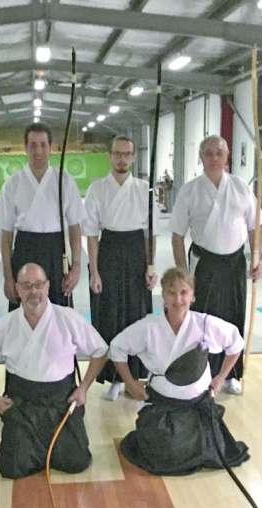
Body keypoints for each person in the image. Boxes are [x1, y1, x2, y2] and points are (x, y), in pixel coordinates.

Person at [110, 267, 250, 476]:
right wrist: (130, 383)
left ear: (192, 295)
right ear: (163, 296)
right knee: (167, 454)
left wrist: (221, 377)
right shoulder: (149, 328)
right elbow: (117, 347)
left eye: (184, 292)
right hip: (163, 406)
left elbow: (236, 343)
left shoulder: (204, 324)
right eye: (171, 292)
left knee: (213, 451)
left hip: (198, 406)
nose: (178, 299)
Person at [0, 263, 108, 479]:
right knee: (12, 467)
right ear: (17, 290)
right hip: (22, 404)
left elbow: (100, 351)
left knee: (76, 462)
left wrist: (83, 388)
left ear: (47, 287)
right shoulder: (5, 325)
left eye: (38, 285)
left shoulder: (68, 318)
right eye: (27, 286)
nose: (33, 291)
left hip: (61, 402)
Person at [170, 135, 262, 396]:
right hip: (204, 262)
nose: (214, 158)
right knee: (203, 320)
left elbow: (254, 226)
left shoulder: (241, 187)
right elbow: (177, 235)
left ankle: (231, 373)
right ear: (201, 157)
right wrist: (182, 274)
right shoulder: (189, 190)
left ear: (227, 157)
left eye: (219, 153)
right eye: (209, 153)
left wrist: (257, 259)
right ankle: (203, 374)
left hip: (234, 262)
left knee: (234, 315)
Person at [83, 135, 155, 401]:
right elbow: (91, 233)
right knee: (110, 314)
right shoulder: (97, 189)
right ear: (109, 156)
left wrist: (150, 266)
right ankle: (113, 378)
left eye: (127, 154)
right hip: (109, 251)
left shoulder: (144, 189)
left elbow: (150, 233)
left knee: (136, 316)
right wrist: (94, 271)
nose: (122, 159)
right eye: (117, 154)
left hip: (137, 252)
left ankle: (134, 376)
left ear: (134, 157)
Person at [0, 122, 84, 311]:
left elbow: (75, 227)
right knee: (24, 315)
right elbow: (6, 236)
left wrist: (76, 266)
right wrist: (8, 277)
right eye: (33, 145)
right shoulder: (13, 184)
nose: (38, 150)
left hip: (56, 253)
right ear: (25, 148)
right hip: (24, 252)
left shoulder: (65, 181)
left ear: (50, 148)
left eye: (43, 144)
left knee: (59, 314)